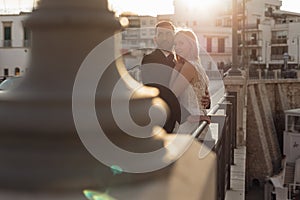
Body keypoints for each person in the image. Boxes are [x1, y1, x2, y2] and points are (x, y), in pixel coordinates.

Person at [141, 21, 210, 133]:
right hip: (162, 122)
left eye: (168, 34)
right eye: (160, 34)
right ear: (155, 39)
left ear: (173, 37)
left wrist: (206, 100)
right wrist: (187, 116)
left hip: (182, 122)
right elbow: (159, 91)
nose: (165, 38)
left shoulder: (180, 63)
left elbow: (194, 89)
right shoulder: (149, 60)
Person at [169, 29, 211, 133]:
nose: (177, 47)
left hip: (190, 124)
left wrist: (175, 70)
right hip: (202, 123)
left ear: (191, 45)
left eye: (181, 43)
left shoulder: (189, 66)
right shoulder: (198, 66)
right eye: (175, 44)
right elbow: (205, 97)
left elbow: (171, 95)